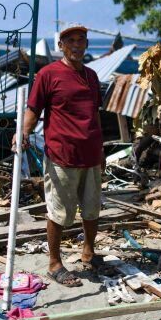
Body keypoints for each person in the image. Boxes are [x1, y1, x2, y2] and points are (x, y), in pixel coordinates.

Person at [14, 22, 104, 287]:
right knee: (59, 212)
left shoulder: (91, 76)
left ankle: (89, 253)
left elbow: (95, 114)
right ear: (61, 45)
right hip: (62, 154)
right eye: (70, 41)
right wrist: (24, 132)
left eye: (81, 40)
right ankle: (54, 264)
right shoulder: (48, 74)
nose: (76, 45)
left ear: (86, 44)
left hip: (90, 155)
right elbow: (33, 108)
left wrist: (101, 149)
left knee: (91, 209)